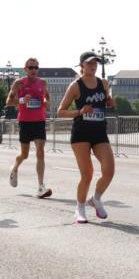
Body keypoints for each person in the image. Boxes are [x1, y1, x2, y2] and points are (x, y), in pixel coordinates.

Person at [57, 51, 115, 223]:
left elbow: (107, 100)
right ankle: (80, 209)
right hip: (81, 133)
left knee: (109, 170)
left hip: (99, 132)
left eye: (95, 63)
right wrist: (80, 111)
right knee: (87, 174)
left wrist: (110, 102)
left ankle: (95, 199)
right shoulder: (75, 86)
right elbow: (61, 112)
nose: (93, 66)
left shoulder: (104, 83)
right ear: (82, 64)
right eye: (89, 63)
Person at [6, 57, 52, 198]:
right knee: (24, 155)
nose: (33, 70)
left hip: (39, 121)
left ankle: (40, 187)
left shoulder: (43, 83)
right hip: (25, 122)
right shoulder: (19, 83)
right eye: (31, 67)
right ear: (25, 69)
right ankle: (15, 167)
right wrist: (21, 100)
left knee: (40, 152)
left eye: (36, 67)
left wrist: (46, 102)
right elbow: (8, 101)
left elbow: (47, 97)